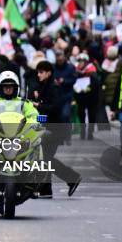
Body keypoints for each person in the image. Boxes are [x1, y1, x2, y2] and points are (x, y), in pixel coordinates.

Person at [31, 61, 81, 197]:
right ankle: (46, 190)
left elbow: (55, 108)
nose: (38, 74)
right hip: (46, 128)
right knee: (44, 158)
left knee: (45, 158)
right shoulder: (44, 86)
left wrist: (38, 105)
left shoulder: (53, 87)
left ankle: (72, 178)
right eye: (38, 72)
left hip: (55, 129)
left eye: (41, 72)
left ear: (49, 73)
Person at [73, 53, 99, 140]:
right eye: (79, 61)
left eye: (82, 61)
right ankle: (83, 130)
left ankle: (90, 132)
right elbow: (74, 82)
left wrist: (89, 87)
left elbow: (96, 84)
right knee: (81, 114)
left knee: (92, 115)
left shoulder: (92, 70)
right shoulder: (76, 71)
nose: (80, 63)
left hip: (91, 97)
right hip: (81, 96)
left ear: (86, 62)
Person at [53, 50, 76, 144]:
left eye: (60, 56)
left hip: (67, 96)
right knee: (58, 118)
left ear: (64, 57)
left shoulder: (70, 67)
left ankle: (68, 137)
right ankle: (60, 138)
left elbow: (74, 80)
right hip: (56, 96)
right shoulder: (53, 67)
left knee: (65, 116)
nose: (59, 58)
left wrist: (64, 81)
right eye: (57, 56)